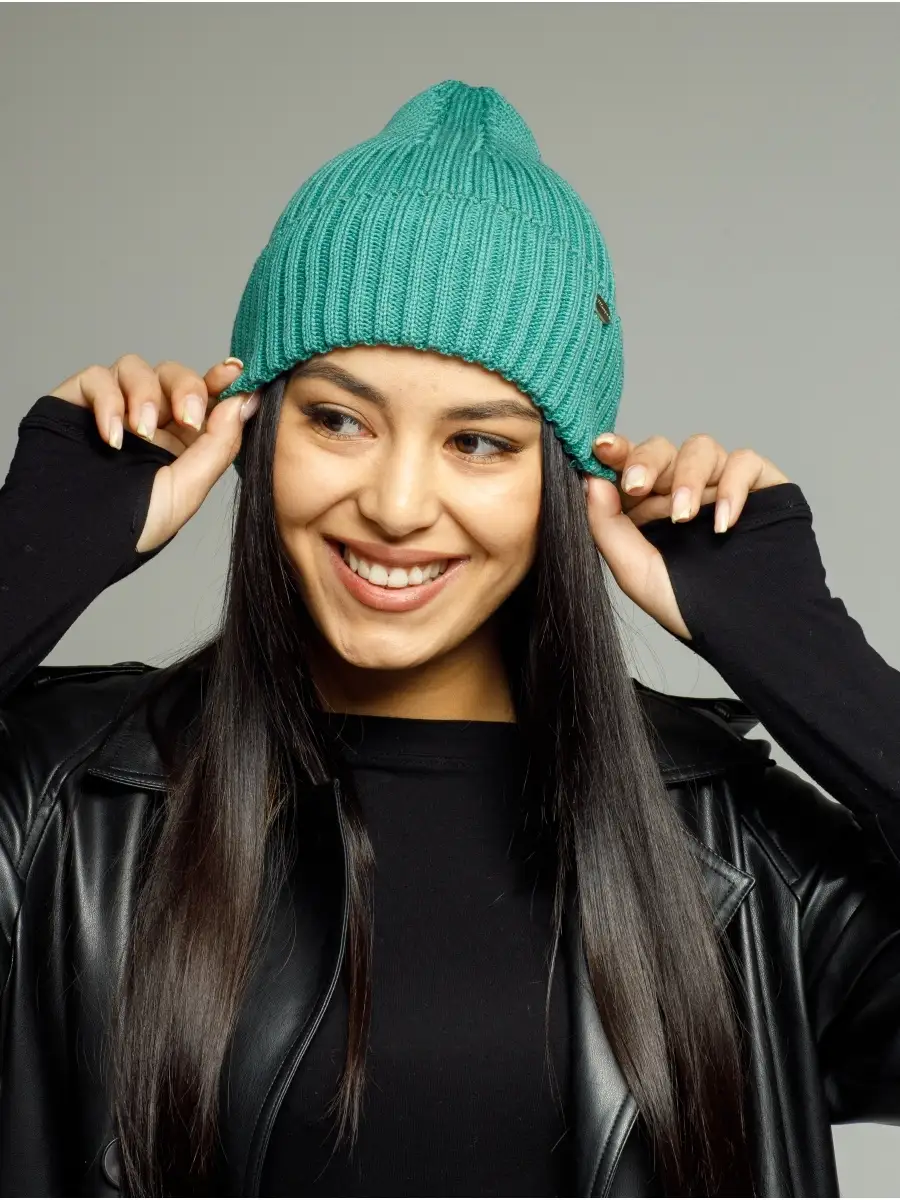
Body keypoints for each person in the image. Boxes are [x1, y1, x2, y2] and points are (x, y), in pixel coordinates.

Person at [1, 79, 899, 1200]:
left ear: (564, 483)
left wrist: (808, 657)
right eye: (338, 419)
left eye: (479, 443)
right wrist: (28, 559)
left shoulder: (735, 852)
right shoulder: (67, 808)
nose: (396, 505)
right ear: (252, 432)